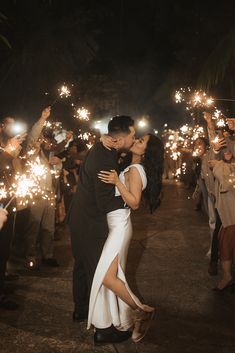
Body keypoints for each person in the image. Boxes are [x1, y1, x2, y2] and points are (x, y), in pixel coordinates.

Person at [87, 133, 164, 343]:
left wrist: (116, 182)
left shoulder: (136, 170)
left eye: (141, 142)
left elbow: (135, 202)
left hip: (120, 226)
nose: (136, 141)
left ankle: (140, 310)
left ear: (146, 152)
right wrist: (104, 138)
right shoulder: (131, 167)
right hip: (116, 224)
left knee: (106, 276)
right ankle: (123, 320)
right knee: (115, 276)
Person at [67, 116, 135, 344]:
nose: (134, 139)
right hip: (89, 221)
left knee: (82, 265)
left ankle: (81, 309)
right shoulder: (105, 157)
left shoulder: (102, 147)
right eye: (132, 136)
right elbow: (105, 203)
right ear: (121, 138)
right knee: (99, 272)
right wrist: (129, 201)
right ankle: (103, 329)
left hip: (79, 217)